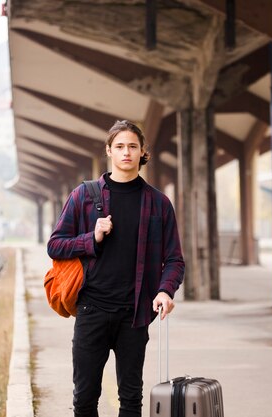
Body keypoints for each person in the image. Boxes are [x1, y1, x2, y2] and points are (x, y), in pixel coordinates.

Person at [47, 120, 185, 417]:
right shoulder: (83, 196)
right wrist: (91, 238)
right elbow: (55, 245)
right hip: (91, 311)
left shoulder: (159, 204)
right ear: (109, 151)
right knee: (84, 399)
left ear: (142, 152)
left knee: (131, 400)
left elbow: (174, 259)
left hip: (133, 316)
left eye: (132, 147)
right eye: (120, 146)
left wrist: (164, 290)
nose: (126, 152)